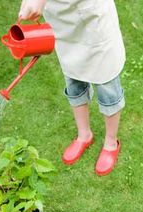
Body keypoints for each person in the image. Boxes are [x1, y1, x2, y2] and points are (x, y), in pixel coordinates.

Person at [19, 0, 126, 176]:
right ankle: (84, 135)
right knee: (73, 78)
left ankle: (111, 142)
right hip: (62, 21)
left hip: (93, 18)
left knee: (107, 82)